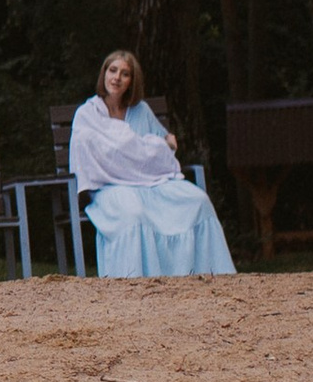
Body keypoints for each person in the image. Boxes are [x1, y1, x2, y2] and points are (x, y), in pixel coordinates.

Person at [68, 51, 236, 277]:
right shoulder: (87, 114)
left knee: (197, 200)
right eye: (113, 70)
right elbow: (93, 154)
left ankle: (210, 273)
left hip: (152, 184)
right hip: (110, 187)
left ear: (132, 81)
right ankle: (136, 279)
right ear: (104, 74)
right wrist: (141, 147)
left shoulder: (141, 111)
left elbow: (164, 149)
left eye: (125, 74)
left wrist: (150, 146)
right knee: (133, 212)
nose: (117, 78)